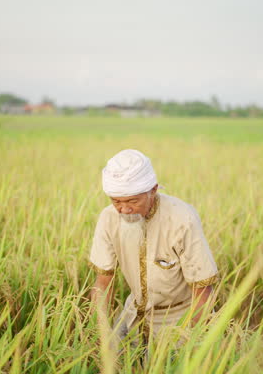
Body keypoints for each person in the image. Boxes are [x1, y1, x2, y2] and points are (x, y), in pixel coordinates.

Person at [89, 149, 218, 351]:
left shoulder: (182, 219)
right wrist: (100, 330)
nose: (124, 209)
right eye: (116, 201)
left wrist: (187, 337)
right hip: (133, 312)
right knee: (113, 364)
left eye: (132, 201)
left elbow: (203, 291)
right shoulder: (108, 218)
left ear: (153, 190)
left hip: (178, 317)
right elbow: (103, 284)